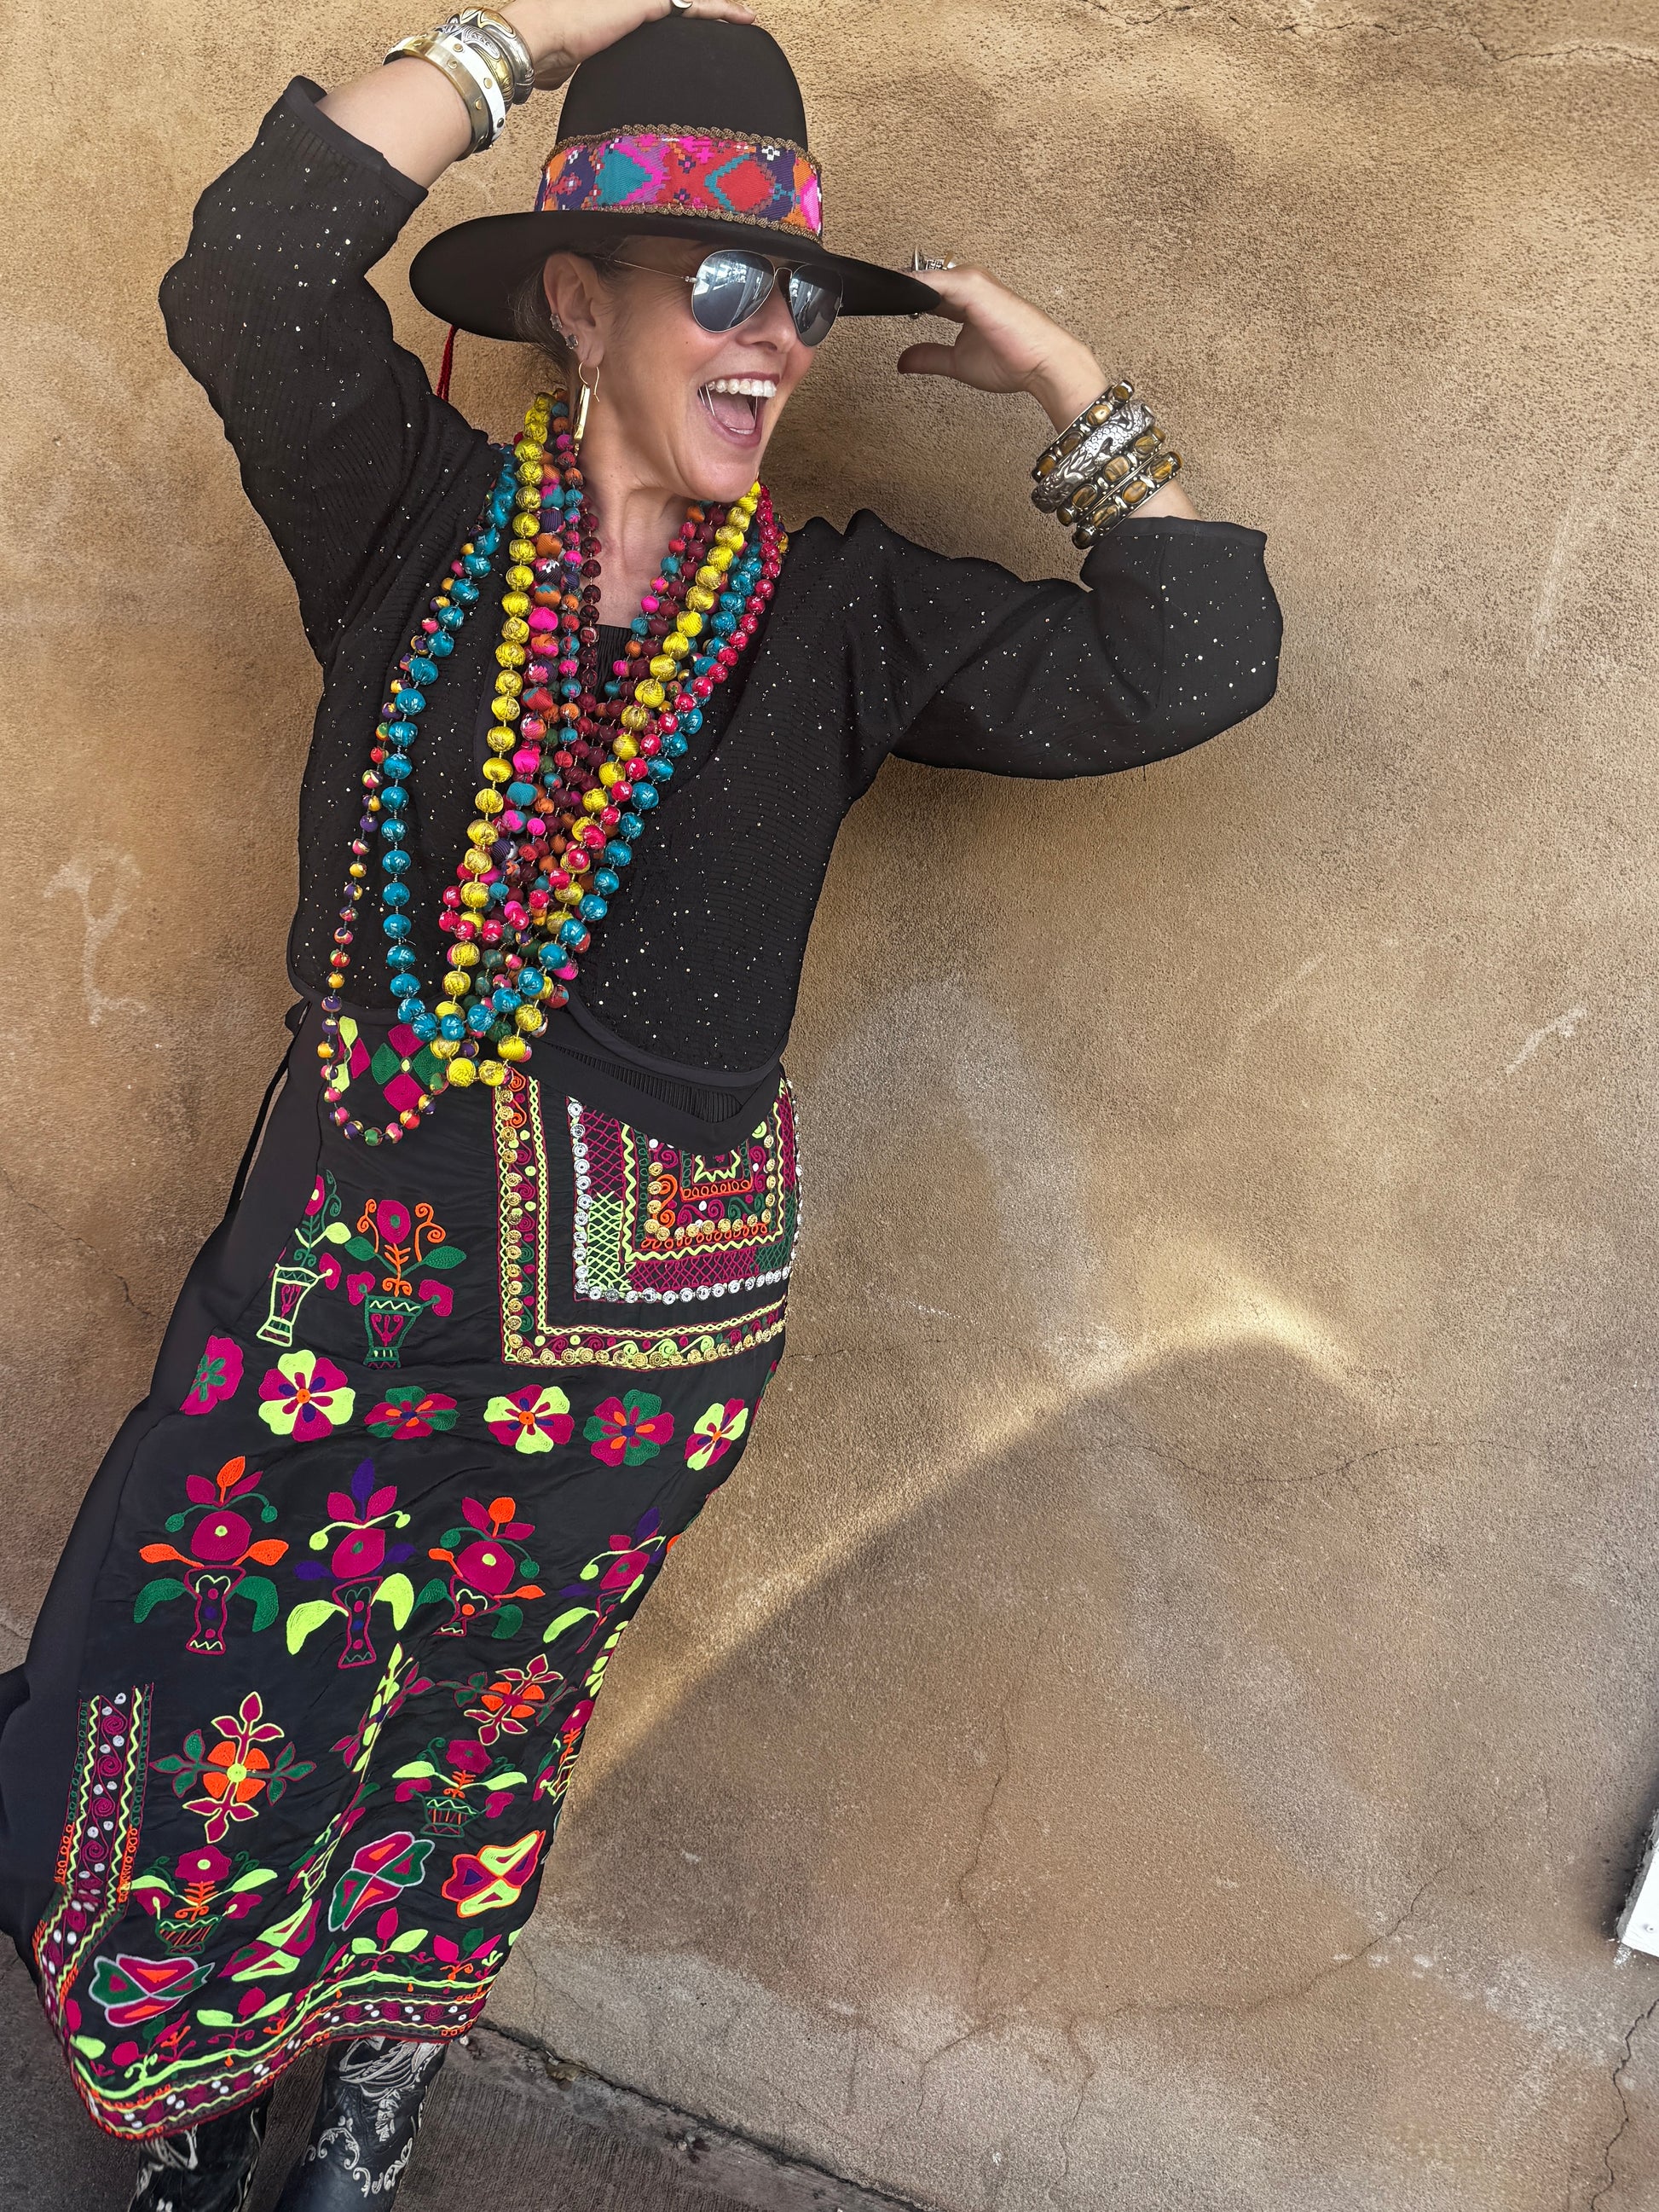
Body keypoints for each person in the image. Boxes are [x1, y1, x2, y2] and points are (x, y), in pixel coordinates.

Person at [0, 3, 1282, 2204]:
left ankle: (369, 2115)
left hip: (624, 1344)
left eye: (801, 300)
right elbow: (250, 267)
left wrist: (1073, 387)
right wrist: (530, 31)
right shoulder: (412, 519)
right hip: (331, 1294)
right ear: (577, 304)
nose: (776, 336)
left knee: (464, 1740)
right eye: (724, 282)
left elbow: (1186, 655)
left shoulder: (839, 610)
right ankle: (199, 2109)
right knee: (206, 1698)